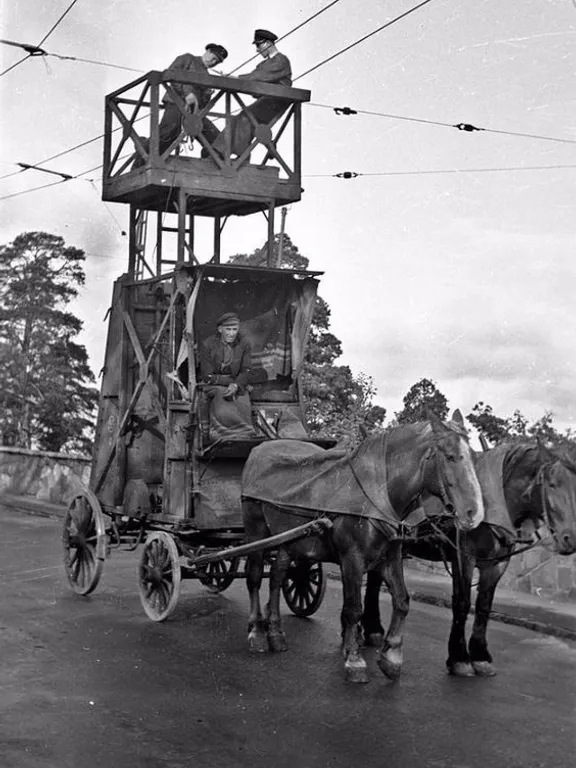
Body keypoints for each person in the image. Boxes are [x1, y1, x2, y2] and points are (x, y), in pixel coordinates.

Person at [133, 43, 228, 168]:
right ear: (208, 51)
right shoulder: (187, 58)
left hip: (193, 113)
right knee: (167, 134)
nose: (214, 62)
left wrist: (207, 94)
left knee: (215, 137)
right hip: (175, 103)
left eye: (217, 62)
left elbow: (202, 103)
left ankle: (208, 164)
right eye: (214, 57)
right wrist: (187, 94)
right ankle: (140, 161)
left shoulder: (207, 75)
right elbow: (170, 76)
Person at [212, 29, 292, 159]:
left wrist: (235, 78)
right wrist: (235, 79)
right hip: (265, 101)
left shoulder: (281, 60)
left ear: (267, 44)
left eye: (258, 45)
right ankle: (219, 150)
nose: (257, 50)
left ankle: (240, 156)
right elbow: (255, 80)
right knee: (239, 118)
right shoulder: (264, 63)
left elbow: (258, 77)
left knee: (245, 117)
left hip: (275, 103)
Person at [198, 312, 257, 444]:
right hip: (213, 384)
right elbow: (207, 375)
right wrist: (231, 382)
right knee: (221, 393)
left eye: (234, 329)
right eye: (228, 329)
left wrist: (236, 385)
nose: (231, 333)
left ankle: (244, 434)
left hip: (235, 384)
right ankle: (220, 434)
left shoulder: (244, 344)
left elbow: (246, 370)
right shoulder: (207, 345)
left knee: (243, 395)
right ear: (220, 329)